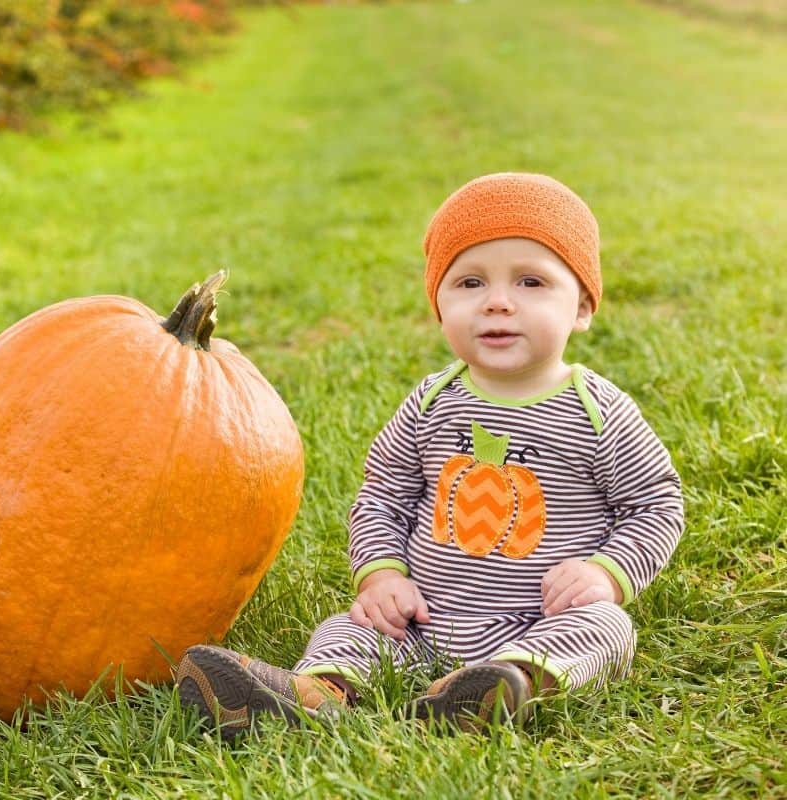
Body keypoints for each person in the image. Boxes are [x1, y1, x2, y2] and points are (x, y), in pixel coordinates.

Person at [175, 172, 685, 738]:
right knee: (350, 629)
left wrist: (605, 574)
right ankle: (315, 693)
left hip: (542, 621)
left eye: (531, 282)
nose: (497, 303)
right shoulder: (431, 403)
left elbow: (655, 507)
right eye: (469, 283)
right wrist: (382, 576)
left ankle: (506, 685)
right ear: (439, 307)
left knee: (605, 627)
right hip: (420, 622)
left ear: (583, 306)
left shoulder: (597, 411)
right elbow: (382, 499)